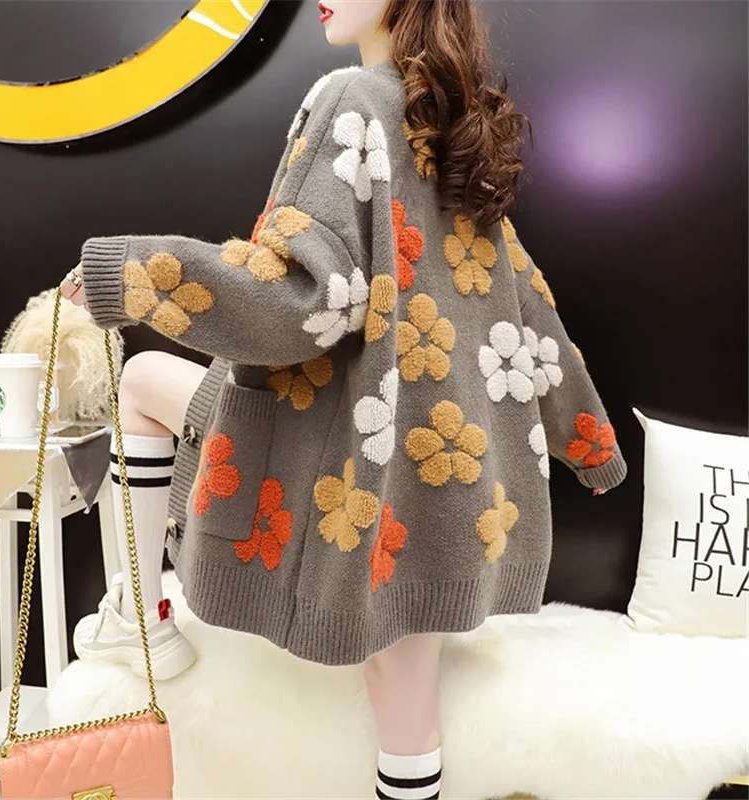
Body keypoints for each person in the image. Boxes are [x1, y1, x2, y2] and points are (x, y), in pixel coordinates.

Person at [61, 0, 627, 796]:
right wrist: (589, 443)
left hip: (347, 462)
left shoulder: (349, 99)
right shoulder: (451, 125)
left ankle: (141, 620)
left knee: (140, 381)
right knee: (406, 702)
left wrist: (130, 275)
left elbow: (300, 303)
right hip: (446, 482)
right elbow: (526, 306)